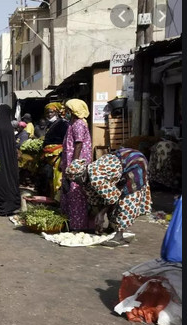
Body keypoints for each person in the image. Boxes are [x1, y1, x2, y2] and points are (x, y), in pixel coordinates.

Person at [65, 148, 152, 246]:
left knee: (126, 198)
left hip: (134, 162)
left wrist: (101, 214)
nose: (76, 183)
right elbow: (98, 198)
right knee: (110, 198)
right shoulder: (87, 179)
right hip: (120, 164)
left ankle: (119, 236)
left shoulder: (96, 177)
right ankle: (112, 227)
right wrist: (98, 213)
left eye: (76, 180)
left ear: (81, 175)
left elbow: (113, 198)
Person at [60, 99, 93, 232]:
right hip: (69, 163)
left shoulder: (79, 124)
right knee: (68, 191)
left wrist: (74, 163)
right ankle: (69, 221)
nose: (66, 113)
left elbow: (78, 144)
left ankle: (77, 225)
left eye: (68, 110)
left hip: (77, 165)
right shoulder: (71, 124)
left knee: (76, 194)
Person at [37, 102, 69, 200]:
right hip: (48, 156)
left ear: (56, 112)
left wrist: (63, 157)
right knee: (48, 177)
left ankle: (57, 200)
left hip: (58, 155)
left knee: (56, 178)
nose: (49, 114)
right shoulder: (50, 124)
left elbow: (66, 141)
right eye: (47, 112)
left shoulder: (62, 124)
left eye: (51, 112)